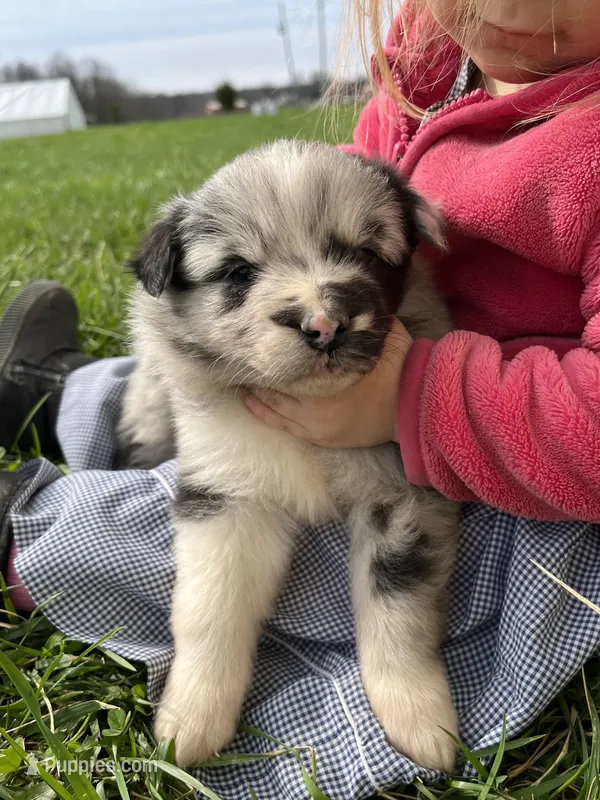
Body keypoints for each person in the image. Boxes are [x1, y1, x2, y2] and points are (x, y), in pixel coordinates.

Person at [2, 0, 600, 797]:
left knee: (188, 521)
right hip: (328, 378)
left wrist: (412, 402)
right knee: (173, 415)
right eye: (241, 271)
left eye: (362, 252)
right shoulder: (432, 59)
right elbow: (351, 175)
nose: (318, 313)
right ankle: (57, 388)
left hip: (513, 460)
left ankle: (28, 525)